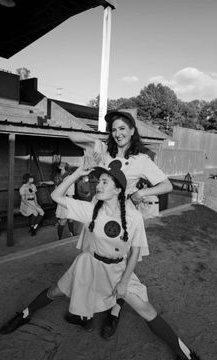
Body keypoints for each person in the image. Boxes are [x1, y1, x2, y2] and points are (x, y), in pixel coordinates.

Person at [0, 161, 201, 360]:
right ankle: (24, 314)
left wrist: (123, 282)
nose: (99, 185)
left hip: (118, 271)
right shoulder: (90, 210)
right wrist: (78, 173)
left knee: (146, 310)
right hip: (89, 266)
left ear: (117, 190)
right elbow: (55, 196)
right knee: (55, 291)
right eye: (99, 181)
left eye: (105, 182)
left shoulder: (133, 216)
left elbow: (135, 252)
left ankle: (184, 352)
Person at [68, 110, 173, 337]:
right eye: (114, 130)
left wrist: (142, 193)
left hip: (122, 219)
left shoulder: (141, 160)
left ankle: (114, 312)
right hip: (98, 214)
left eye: (122, 128)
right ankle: (85, 311)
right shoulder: (105, 152)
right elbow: (72, 137)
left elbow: (166, 186)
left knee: (121, 266)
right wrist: (94, 144)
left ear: (133, 130)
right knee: (92, 259)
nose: (117, 133)